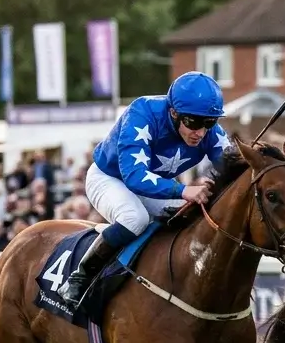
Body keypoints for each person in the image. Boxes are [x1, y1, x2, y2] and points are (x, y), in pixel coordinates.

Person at [60, 71, 231, 308]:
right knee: (135, 218)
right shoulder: (142, 113)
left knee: (193, 217)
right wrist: (183, 191)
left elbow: (236, 165)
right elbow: (135, 176)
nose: (201, 132)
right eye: (193, 122)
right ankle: (79, 278)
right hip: (110, 178)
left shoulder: (206, 129)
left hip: (155, 186)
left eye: (209, 123)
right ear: (173, 112)